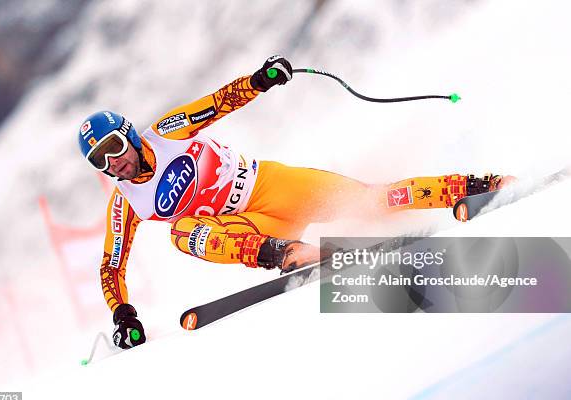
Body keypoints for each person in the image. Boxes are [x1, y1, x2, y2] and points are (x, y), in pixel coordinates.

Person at [77, 55, 507, 349]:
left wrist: (260, 81)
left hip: (269, 185)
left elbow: (217, 104)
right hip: (253, 230)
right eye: (101, 161)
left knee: (371, 200)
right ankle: (289, 254)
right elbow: (111, 265)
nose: (114, 163)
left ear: (129, 134)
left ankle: (474, 185)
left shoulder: (165, 131)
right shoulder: (125, 203)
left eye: (114, 147)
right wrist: (124, 315)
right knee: (182, 232)